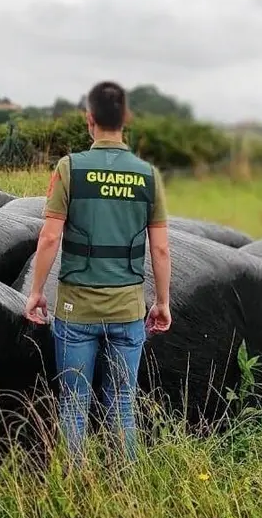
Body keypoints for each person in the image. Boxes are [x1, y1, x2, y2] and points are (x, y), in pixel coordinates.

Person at [23, 81, 171, 464]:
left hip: (76, 311)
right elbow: (160, 248)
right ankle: (126, 492)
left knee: (74, 403)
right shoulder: (149, 175)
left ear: (89, 120)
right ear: (127, 120)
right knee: (122, 402)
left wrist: (36, 291)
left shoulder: (69, 168)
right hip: (127, 311)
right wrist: (163, 303)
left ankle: (74, 490)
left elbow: (50, 237)